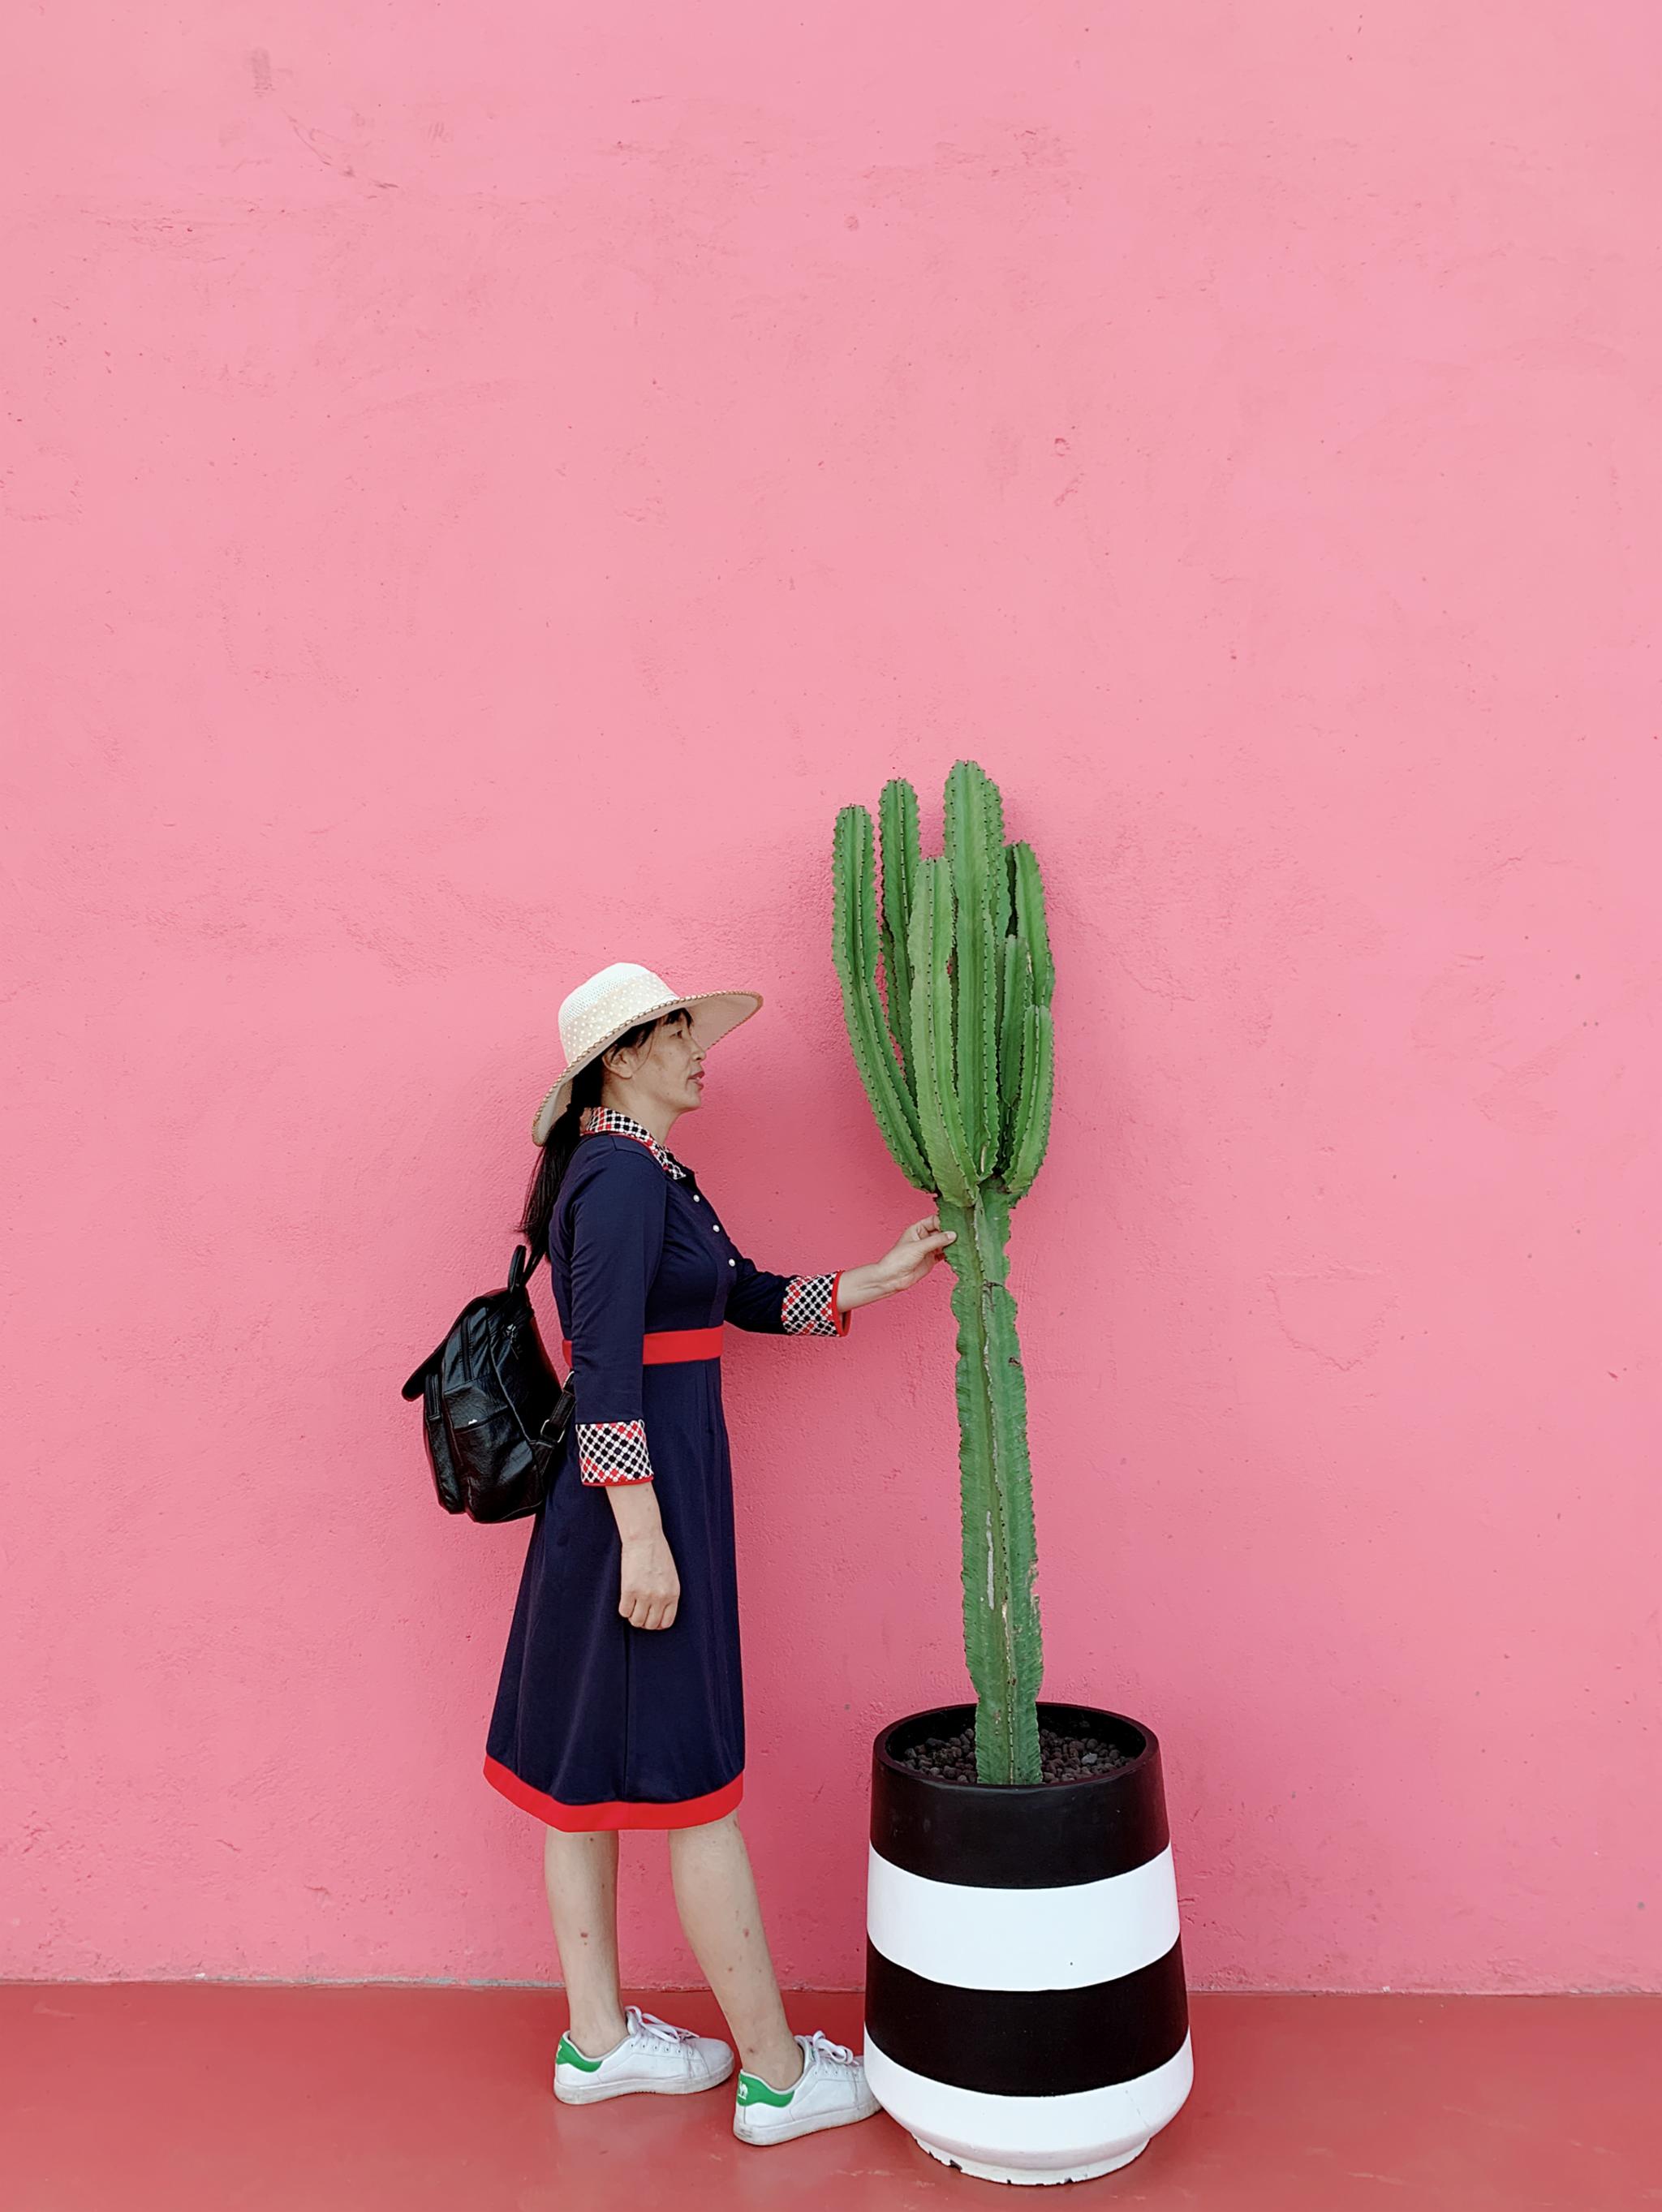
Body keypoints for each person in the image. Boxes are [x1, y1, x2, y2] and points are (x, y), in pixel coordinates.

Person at [484, 961, 956, 2147]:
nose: (703, 1054)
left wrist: (870, 1280)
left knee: (583, 1785)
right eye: (681, 1035)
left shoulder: (646, 1171)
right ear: (621, 1058)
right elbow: (604, 1367)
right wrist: (645, 1537)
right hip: (638, 1511)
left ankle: (598, 2043)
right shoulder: (620, 1177)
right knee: (695, 1789)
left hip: (628, 1504)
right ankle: (779, 2077)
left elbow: (738, 1295)